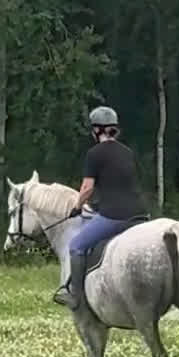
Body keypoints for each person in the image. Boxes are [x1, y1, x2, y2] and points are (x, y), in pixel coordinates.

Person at [53, 105, 148, 310]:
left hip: (115, 216)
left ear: (97, 130)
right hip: (141, 214)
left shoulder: (94, 153)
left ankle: (75, 296)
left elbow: (87, 188)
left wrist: (78, 206)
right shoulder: (128, 152)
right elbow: (121, 184)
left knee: (76, 245)